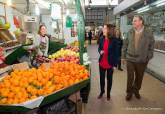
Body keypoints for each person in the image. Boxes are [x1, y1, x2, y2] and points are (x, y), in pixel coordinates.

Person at [122, 15, 155, 101]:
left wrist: (148, 57)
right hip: (130, 58)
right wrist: (123, 57)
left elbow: (151, 46)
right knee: (130, 77)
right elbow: (125, 44)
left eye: (135, 21)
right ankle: (129, 92)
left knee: (139, 77)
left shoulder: (148, 32)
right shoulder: (130, 32)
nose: (133, 22)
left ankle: (136, 90)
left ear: (141, 22)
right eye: (133, 21)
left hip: (142, 60)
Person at [98, 24, 119, 101]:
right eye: (103, 28)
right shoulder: (101, 39)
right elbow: (99, 48)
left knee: (109, 80)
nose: (103, 30)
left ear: (109, 30)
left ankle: (108, 93)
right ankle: (102, 91)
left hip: (110, 63)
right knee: (101, 79)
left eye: (105, 28)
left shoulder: (114, 40)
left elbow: (116, 53)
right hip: (102, 62)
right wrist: (100, 51)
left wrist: (115, 65)